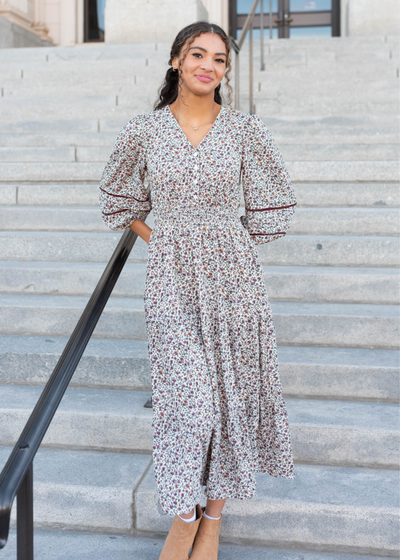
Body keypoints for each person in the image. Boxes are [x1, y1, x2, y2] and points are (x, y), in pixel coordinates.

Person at [99, 20, 297, 560]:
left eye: (219, 59)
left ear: (225, 71)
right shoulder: (143, 131)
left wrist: (226, 241)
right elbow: (119, 201)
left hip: (234, 280)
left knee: (231, 398)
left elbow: (272, 207)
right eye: (197, 54)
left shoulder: (244, 130)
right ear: (176, 62)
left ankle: (212, 521)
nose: (208, 65)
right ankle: (183, 518)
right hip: (171, 278)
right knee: (192, 403)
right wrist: (164, 239)